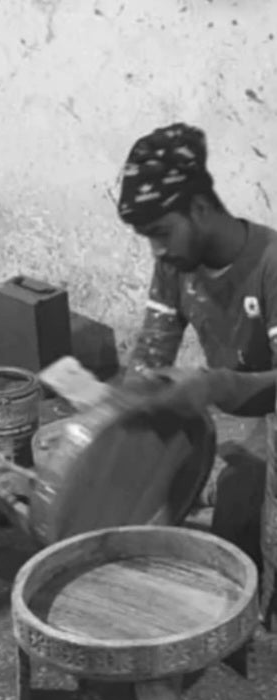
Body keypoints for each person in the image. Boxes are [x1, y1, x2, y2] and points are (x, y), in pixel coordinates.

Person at [118, 121, 277, 566]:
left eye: (162, 232)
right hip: (246, 417)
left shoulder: (271, 265)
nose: (156, 250)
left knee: (239, 522)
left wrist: (212, 386)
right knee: (140, 482)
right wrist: (123, 409)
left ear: (201, 207)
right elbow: (151, 356)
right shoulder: (176, 265)